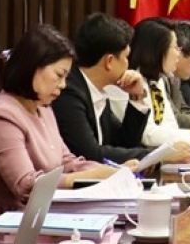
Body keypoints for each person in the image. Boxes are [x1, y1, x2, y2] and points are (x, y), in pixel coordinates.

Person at [0, 25, 118, 227]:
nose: (63, 85)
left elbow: (66, 161)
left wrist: (112, 172)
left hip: (36, 217)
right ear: (32, 67)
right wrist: (87, 177)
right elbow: (26, 186)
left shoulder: (44, 109)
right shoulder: (2, 116)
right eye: (59, 75)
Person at [53, 13, 155, 164]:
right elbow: (91, 154)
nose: (128, 64)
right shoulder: (69, 92)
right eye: (126, 57)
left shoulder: (97, 88)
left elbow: (123, 143)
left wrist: (136, 97)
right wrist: (154, 155)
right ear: (109, 61)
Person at [128, 20, 190, 147]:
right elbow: (148, 134)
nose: (178, 54)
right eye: (176, 48)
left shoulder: (157, 80)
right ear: (157, 50)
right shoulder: (130, 82)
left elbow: (170, 124)